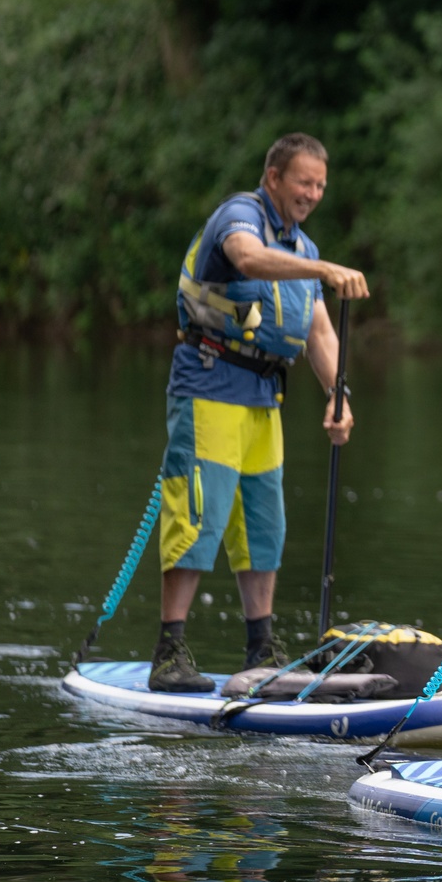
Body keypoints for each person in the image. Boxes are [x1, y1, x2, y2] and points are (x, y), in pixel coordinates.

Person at [150, 133, 368, 692]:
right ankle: (169, 654)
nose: (312, 194)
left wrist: (338, 394)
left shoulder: (305, 247)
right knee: (197, 518)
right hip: (209, 385)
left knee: (264, 527)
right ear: (274, 177)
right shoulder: (239, 216)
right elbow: (246, 258)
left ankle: (261, 649)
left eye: (320, 185)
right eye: (303, 182)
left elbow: (318, 331)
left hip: (262, 397)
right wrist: (320, 272)